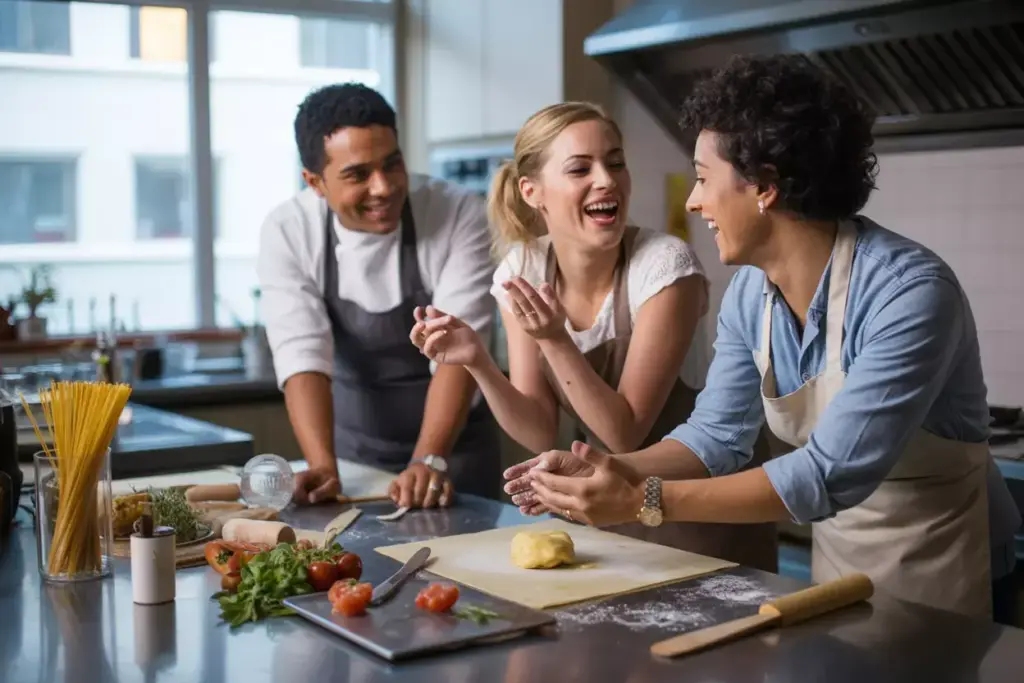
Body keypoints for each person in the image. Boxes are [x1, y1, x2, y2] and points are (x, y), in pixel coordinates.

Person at [503, 55, 1022, 621]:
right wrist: (609, 470)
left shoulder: (910, 293)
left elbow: (827, 474)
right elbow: (714, 436)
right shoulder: (751, 293)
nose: (693, 202)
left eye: (702, 179)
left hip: (949, 574)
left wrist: (642, 500)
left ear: (764, 187)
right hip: (842, 568)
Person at [411, 102, 778, 570]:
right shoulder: (522, 269)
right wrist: (477, 361)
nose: (606, 179)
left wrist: (554, 340)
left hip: (704, 509)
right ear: (532, 191)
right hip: (608, 506)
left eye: (616, 162)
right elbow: (539, 428)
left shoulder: (666, 267)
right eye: (580, 168)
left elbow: (623, 433)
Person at [256, 83, 500, 509]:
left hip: (454, 458)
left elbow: (458, 351)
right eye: (357, 174)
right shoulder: (289, 230)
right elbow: (302, 353)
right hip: (354, 463)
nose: (383, 187)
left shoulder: (458, 213)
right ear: (315, 182)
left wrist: (429, 458)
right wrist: (321, 465)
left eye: (393, 164)